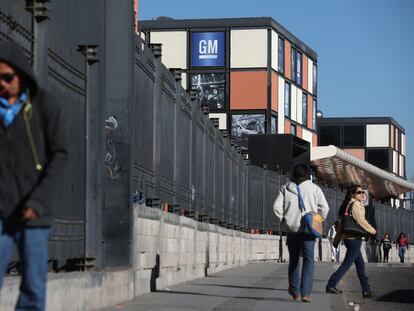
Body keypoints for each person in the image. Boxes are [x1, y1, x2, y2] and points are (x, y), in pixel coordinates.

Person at [0, 41, 68, 310]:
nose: (2, 83)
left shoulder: (43, 106)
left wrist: (37, 202)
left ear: (21, 75)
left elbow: (60, 155)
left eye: (7, 77)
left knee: (32, 286)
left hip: (34, 213)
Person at [273, 164, 329, 303]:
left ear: (294, 175)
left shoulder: (286, 188)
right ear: (307, 175)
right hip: (309, 230)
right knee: (309, 261)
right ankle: (306, 293)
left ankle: (295, 292)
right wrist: (318, 220)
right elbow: (325, 208)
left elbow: (276, 207)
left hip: (292, 229)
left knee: (294, 260)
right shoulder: (315, 189)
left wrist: (284, 220)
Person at [326, 185, 376, 298]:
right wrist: (372, 230)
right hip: (354, 239)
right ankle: (331, 284)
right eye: (359, 192)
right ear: (353, 194)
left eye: (363, 192)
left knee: (360, 265)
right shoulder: (356, 205)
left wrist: (337, 240)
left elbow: (342, 225)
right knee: (347, 264)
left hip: (350, 239)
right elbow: (361, 221)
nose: (362, 194)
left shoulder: (348, 205)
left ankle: (366, 290)